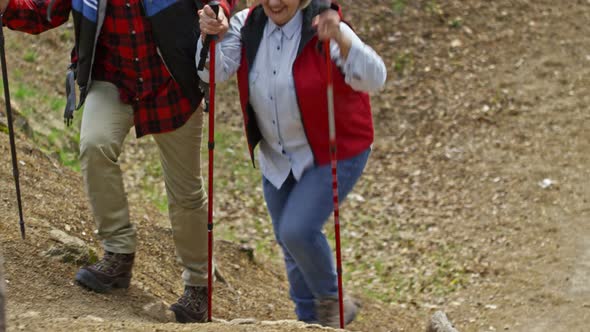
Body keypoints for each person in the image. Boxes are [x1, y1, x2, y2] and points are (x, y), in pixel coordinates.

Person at [0, 0, 235, 323]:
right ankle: (119, 252)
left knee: (186, 193)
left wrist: (219, 10)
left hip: (172, 82)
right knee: (94, 145)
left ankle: (198, 286)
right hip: (111, 77)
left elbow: (218, 4)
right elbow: (45, 11)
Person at [197, 0, 386, 327]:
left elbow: (374, 78)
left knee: (297, 230)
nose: (274, 2)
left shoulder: (322, 24)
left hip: (335, 151)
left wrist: (341, 37)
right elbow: (212, 72)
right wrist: (210, 36)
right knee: (289, 242)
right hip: (278, 156)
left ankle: (333, 301)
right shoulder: (246, 24)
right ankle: (307, 320)